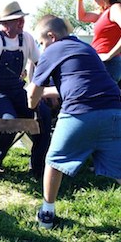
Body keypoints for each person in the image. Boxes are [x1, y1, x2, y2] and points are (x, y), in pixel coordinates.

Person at [27, 14, 121, 229]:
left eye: (41, 43)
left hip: (79, 113)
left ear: (51, 36)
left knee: (53, 161)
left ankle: (47, 215)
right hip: (114, 110)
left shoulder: (52, 50)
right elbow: (76, 83)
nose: (42, 48)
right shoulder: (86, 49)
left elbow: (33, 94)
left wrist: (32, 103)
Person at [0, 1, 51, 176]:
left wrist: (46, 91)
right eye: (17, 20)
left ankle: (37, 166)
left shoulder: (26, 38)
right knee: (9, 121)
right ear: (5, 24)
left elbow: (40, 65)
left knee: (44, 115)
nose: (22, 23)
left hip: (17, 90)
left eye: (22, 19)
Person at [76, 0, 121, 83]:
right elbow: (81, 17)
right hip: (100, 61)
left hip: (109, 62)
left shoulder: (115, 8)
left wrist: (110, 55)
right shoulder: (102, 13)